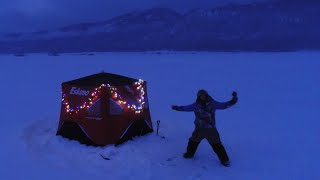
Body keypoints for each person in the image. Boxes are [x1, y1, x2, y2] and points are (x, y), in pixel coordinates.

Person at [171, 89, 238, 167]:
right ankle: (189, 154)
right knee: (193, 141)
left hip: (210, 130)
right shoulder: (196, 105)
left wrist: (233, 100)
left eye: (204, 95)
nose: (203, 97)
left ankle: (225, 160)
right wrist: (178, 108)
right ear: (198, 97)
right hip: (199, 129)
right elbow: (187, 108)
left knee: (217, 144)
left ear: (206, 95)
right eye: (201, 95)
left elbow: (224, 105)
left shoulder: (212, 103)